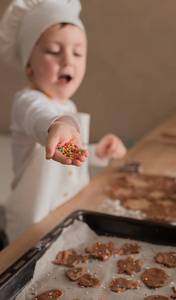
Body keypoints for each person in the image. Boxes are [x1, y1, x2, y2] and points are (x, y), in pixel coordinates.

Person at [0, 0, 127, 243]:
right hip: (32, 226)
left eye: (77, 52)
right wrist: (55, 125)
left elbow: (65, 155)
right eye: (53, 51)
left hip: (65, 216)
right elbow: (38, 118)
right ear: (28, 64)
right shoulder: (27, 101)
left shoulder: (69, 107)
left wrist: (95, 152)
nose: (68, 60)